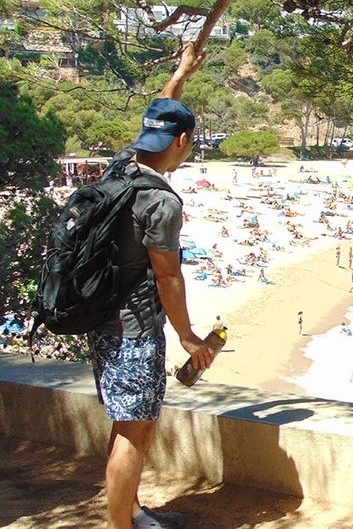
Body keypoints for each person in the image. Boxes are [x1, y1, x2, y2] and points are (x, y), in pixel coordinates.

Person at [87, 42, 217, 529]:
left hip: (102, 320)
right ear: (182, 142)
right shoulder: (161, 202)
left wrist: (181, 73)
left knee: (125, 422)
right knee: (135, 432)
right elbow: (168, 275)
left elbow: (160, 110)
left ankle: (132, 510)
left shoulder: (122, 166)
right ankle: (123, 524)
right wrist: (187, 336)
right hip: (135, 329)